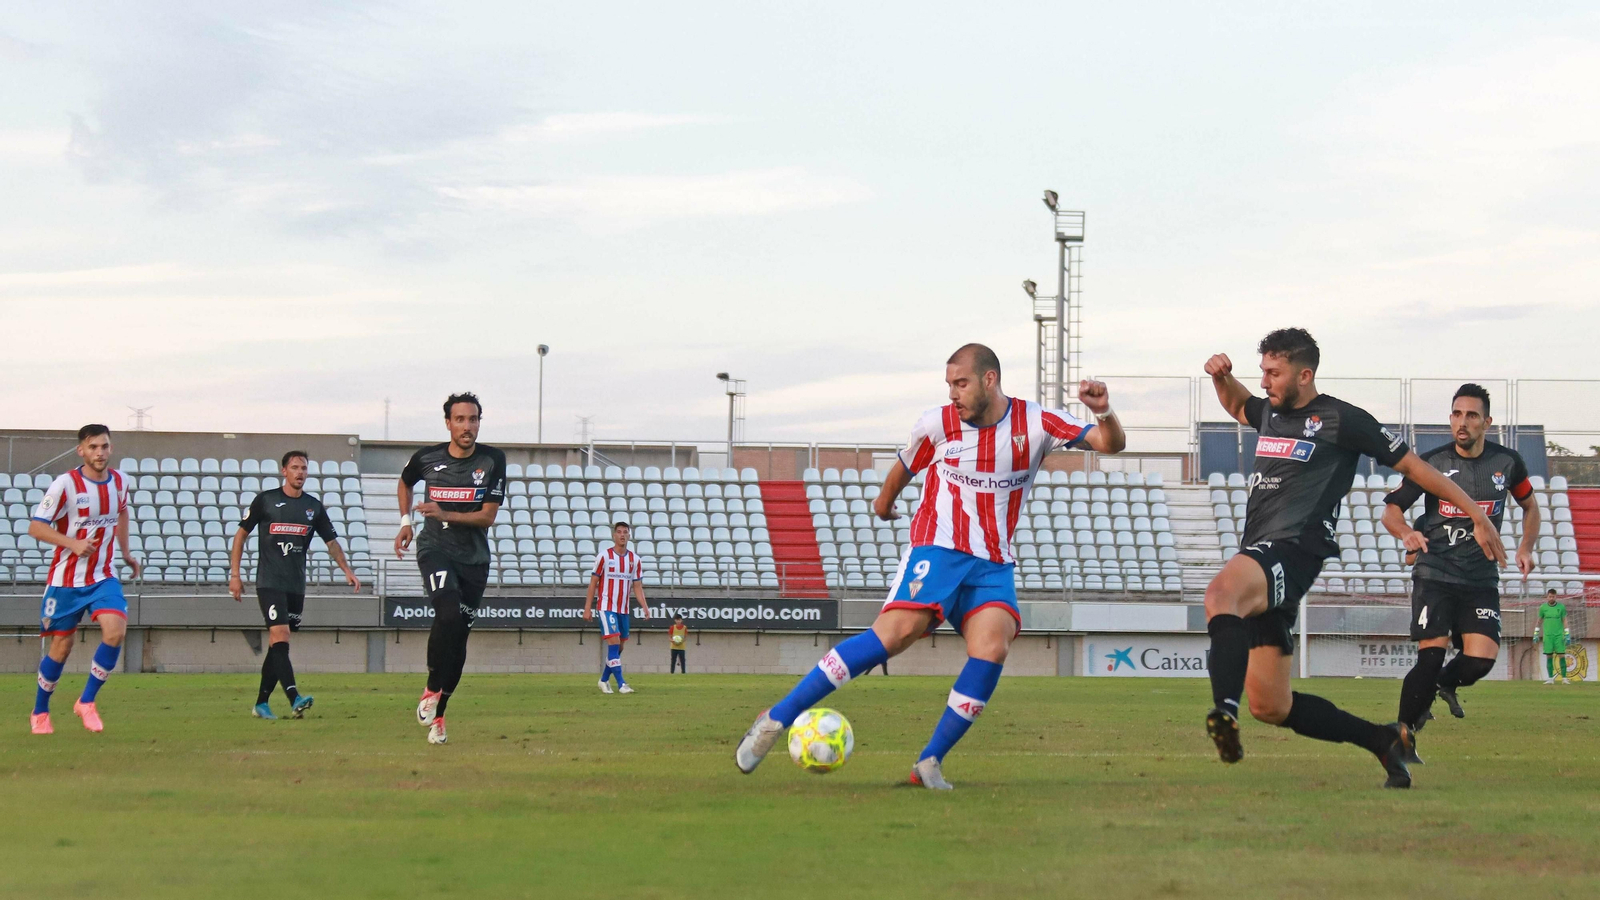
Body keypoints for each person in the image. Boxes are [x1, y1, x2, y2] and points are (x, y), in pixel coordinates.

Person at [735, 343, 1126, 789]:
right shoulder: (937, 423)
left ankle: (929, 763)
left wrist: (1105, 411)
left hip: (993, 563)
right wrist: (883, 503)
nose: (953, 394)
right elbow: (906, 464)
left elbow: (1109, 444)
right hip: (937, 549)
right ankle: (775, 718)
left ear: (989, 380)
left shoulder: (1035, 422)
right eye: (949, 385)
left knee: (993, 647)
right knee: (896, 635)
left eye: (961, 383)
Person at [1201, 329, 1505, 789]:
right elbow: (1237, 403)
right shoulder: (1271, 412)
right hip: (1263, 555)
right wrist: (1222, 378)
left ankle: (1224, 712)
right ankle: (1383, 741)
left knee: (1220, 593)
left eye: (1273, 372)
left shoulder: (1342, 419)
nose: (1264, 381)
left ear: (1305, 375)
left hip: (1295, 548)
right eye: (1262, 371)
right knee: (1271, 706)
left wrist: (1476, 513)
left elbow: (1417, 469)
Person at [1382, 384, 1536, 729]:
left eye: (1471, 415)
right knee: (1430, 657)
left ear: (1487, 422)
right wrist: (1406, 532)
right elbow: (1391, 510)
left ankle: (1443, 684)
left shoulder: (1507, 463)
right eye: (1456, 414)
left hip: (1480, 578)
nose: (1462, 422)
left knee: (1481, 660)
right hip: (1435, 572)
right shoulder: (1432, 463)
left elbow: (1530, 506)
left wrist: (1526, 547)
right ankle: (1401, 739)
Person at [397, 393, 506, 745]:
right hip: (435, 548)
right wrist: (405, 522)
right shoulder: (427, 458)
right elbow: (405, 481)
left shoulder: (493, 460)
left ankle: (440, 714)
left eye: (473, 419)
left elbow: (487, 517)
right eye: (460, 419)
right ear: (448, 423)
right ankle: (431, 688)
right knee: (447, 615)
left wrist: (445, 513)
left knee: (459, 640)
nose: (467, 426)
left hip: (474, 559)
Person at [229, 450, 362, 719]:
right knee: (281, 636)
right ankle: (294, 697)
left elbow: (331, 542)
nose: (300, 472)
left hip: (295, 584)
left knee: (279, 644)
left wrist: (347, 569)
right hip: (269, 582)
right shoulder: (266, 501)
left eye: (304, 468)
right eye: (295, 467)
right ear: (284, 471)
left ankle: (261, 703)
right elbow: (240, 535)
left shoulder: (313, 507)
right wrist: (235, 574)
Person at [28, 424, 140, 734]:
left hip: (103, 576)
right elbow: (36, 527)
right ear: (82, 451)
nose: (100, 452)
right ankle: (40, 712)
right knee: (61, 648)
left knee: (115, 631)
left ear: (111, 448)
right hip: (65, 581)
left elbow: (121, 513)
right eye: (93, 447)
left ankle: (86, 701)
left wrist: (126, 552)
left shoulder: (121, 481)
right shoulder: (65, 484)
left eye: (104, 446)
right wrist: (72, 543)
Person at [583, 521, 649, 693]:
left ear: (629, 536)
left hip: (624, 609)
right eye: (619, 532)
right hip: (606, 606)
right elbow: (593, 583)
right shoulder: (604, 557)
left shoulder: (635, 560)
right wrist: (587, 607)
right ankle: (622, 684)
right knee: (613, 642)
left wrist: (645, 606)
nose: (622, 535)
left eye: (625, 532)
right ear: (614, 535)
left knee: (619, 647)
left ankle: (604, 680)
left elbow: (637, 586)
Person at [1535, 590, 1571, 684]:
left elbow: (1564, 620)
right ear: (1547, 597)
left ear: (1556, 597)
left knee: (1561, 655)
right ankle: (1550, 678)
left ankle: (1564, 678)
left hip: (1559, 635)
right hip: (1548, 636)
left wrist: (1567, 634)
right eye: (1550, 596)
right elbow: (1539, 621)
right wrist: (1536, 633)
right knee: (1549, 656)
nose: (1551, 598)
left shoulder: (1561, 607)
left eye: (1553, 596)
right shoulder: (1543, 608)